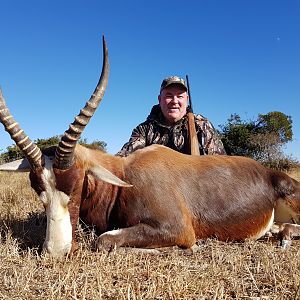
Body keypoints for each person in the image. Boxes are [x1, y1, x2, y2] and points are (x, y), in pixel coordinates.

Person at [116, 76, 226, 157]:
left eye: (180, 96)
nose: (175, 101)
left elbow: (219, 166)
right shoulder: (144, 130)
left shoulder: (202, 126)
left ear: (187, 100)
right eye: (169, 96)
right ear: (159, 99)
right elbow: (123, 159)